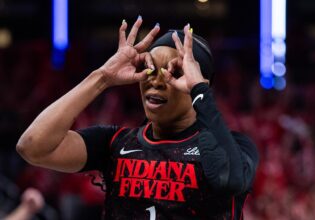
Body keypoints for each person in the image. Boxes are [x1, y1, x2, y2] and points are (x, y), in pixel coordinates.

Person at [16, 15, 259, 219]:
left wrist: (200, 92)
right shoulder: (115, 142)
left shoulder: (237, 147)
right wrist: (102, 77)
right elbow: (33, 147)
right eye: (150, 68)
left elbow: (229, 179)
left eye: (174, 72)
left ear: (198, 82)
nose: (156, 80)